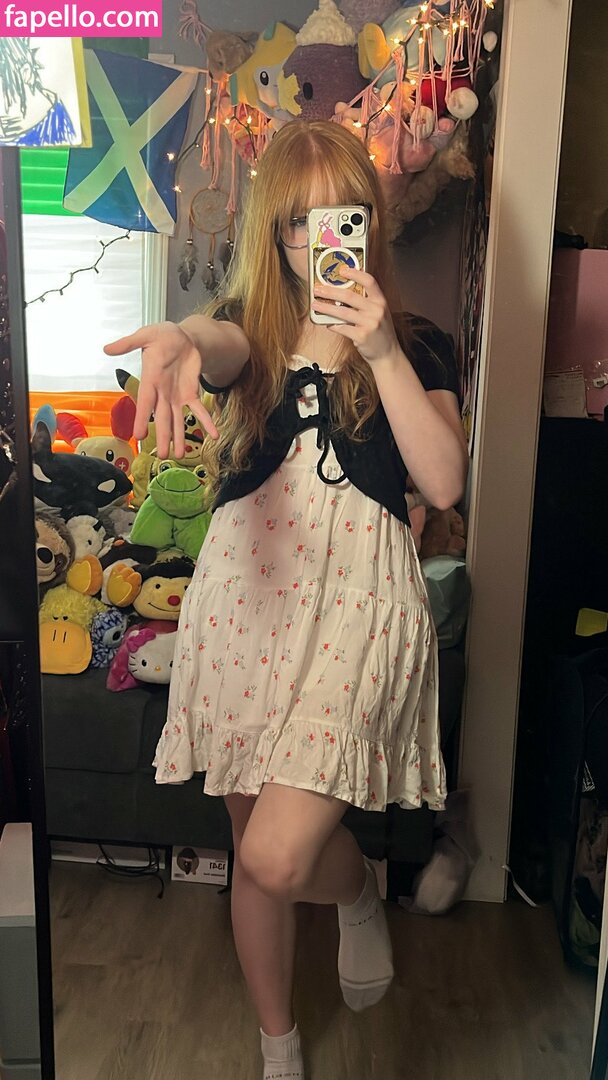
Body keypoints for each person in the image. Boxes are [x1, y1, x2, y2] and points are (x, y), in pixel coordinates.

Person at [105, 119, 469, 1080]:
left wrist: (378, 348)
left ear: (369, 222)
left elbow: (442, 481)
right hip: (246, 599)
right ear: (277, 233)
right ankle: (280, 1050)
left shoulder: (418, 345)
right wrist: (182, 334)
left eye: (341, 217)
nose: (321, 242)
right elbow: (218, 342)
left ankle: (355, 893)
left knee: (279, 855)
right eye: (300, 223)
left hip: (361, 609)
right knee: (247, 844)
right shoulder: (253, 330)